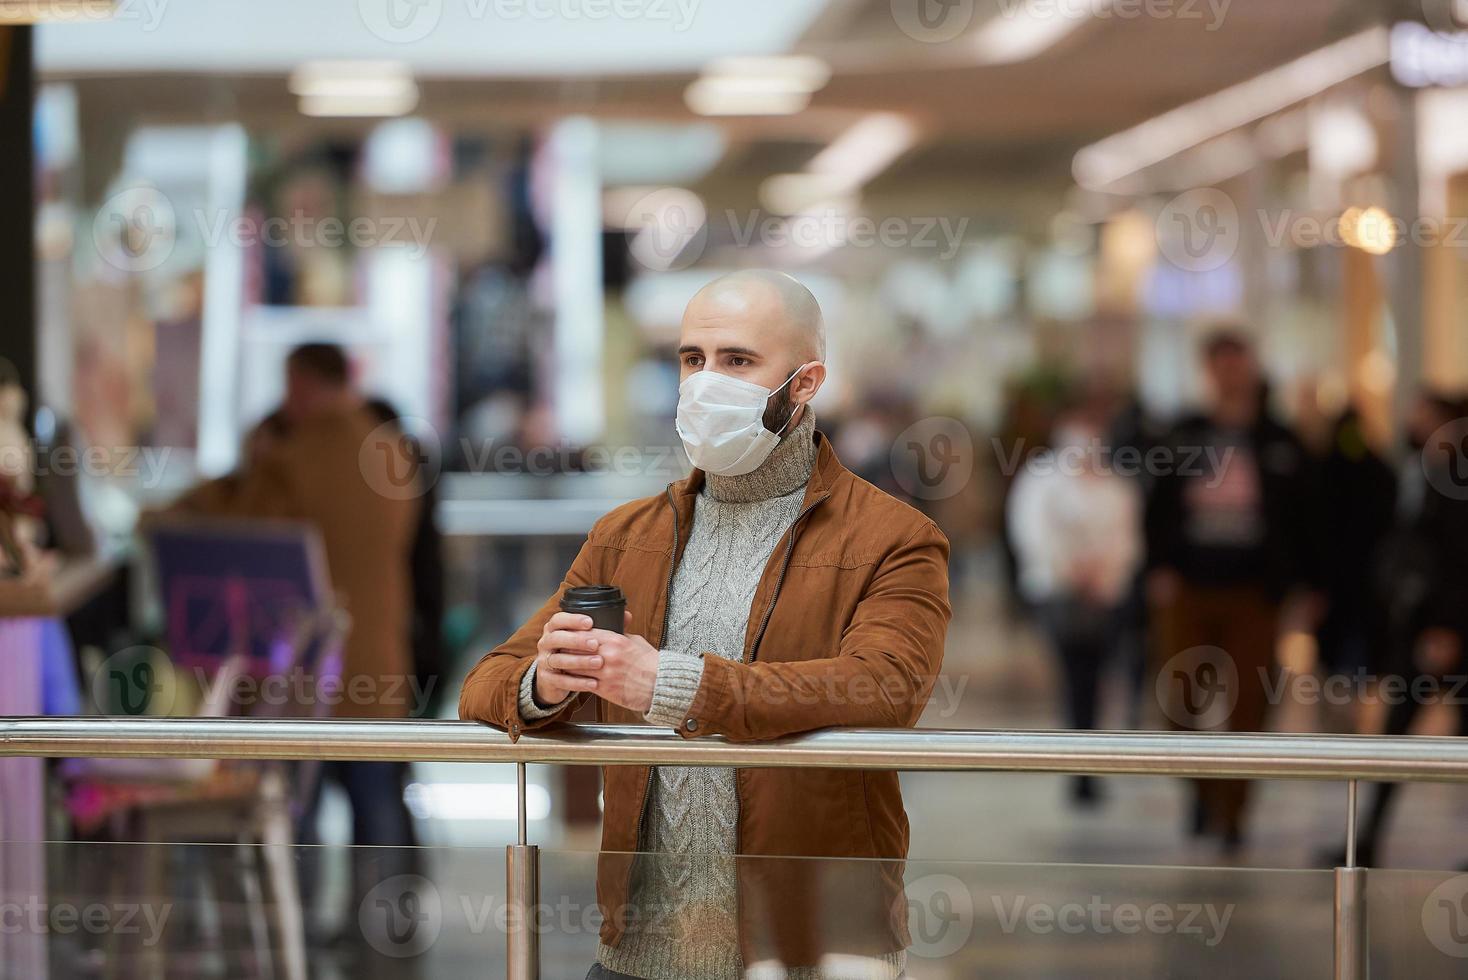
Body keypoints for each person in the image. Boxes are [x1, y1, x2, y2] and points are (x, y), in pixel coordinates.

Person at [459, 270, 951, 980]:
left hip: (809, 947)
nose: (705, 382)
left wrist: (679, 685)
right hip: (635, 952)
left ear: (806, 382)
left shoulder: (893, 538)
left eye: (738, 361)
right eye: (692, 359)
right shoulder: (626, 535)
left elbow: (885, 685)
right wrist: (545, 681)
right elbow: (489, 680)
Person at [169, 344, 423, 888]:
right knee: (376, 799)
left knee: (293, 810)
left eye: (290, 387)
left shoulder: (296, 457)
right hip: (379, 658)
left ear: (306, 384)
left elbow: (243, 526)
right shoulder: (391, 449)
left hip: (308, 668)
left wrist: (254, 464)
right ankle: (384, 932)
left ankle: (299, 936)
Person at [1146, 329, 1319, 852]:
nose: (1229, 373)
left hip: (1255, 592)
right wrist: (1160, 567)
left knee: (1250, 706)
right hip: (1191, 587)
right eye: (1219, 363)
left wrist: (1302, 587)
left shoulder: (1279, 440)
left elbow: (1308, 520)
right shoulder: (1182, 433)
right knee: (1178, 700)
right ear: (1208, 370)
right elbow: (1155, 505)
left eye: (1237, 362)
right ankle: (1201, 790)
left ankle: (1233, 812)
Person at [1328, 390, 1468, 866]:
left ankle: (1368, 838)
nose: (1415, 423)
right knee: (1394, 737)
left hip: (1444, 631)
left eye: (1426, 416)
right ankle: (1366, 839)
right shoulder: (1422, 471)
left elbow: (1457, 557)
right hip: (1421, 626)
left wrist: (1448, 626)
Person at [1008, 395, 1143, 805]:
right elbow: (1032, 532)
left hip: (1105, 596)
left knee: (1097, 678)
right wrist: (1071, 570)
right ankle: (1079, 761)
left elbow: (1128, 539)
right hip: (1058, 595)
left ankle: (1088, 760)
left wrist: (1102, 572)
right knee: (1075, 678)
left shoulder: (1118, 485)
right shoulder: (1041, 479)